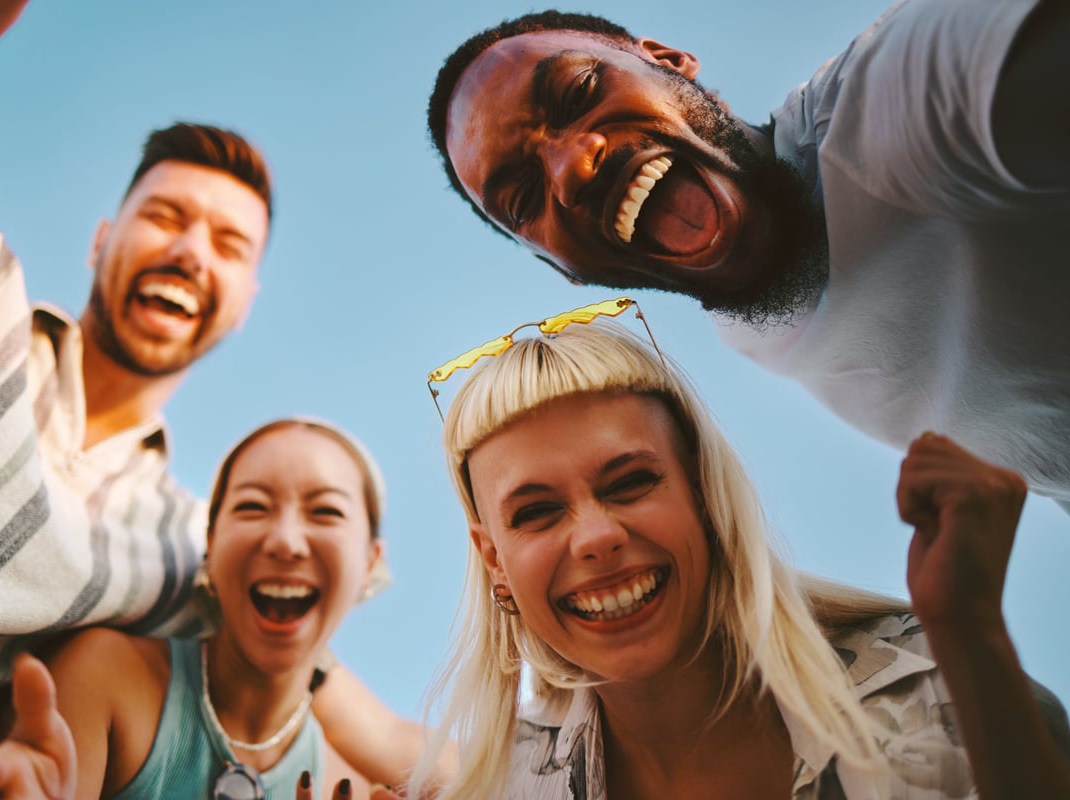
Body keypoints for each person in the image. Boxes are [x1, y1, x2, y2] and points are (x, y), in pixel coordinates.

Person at [0, 2, 419, 796]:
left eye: (229, 246)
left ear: (245, 299)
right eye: (166, 217)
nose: (192, 251)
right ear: (101, 240)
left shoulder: (190, 551)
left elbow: (373, 732)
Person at [425, 2, 1070, 509]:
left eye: (578, 91)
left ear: (670, 62)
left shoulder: (896, 106)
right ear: (561, 270)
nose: (571, 170)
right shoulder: (744, 319)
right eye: (525, 196)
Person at [406, 308, 1070, 799]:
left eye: (631, 482)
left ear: (702, 490)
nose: (595, 537)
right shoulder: (496, 788)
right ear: (494, 561)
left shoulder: (943, 691)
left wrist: (972, 636)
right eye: (536, 512)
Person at [0, 417, 405, 800]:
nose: (285, 541)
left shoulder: (343, 788)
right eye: (252, 507)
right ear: (211, 545)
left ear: (370, 562)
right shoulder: (108, 676)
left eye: (326, 512)